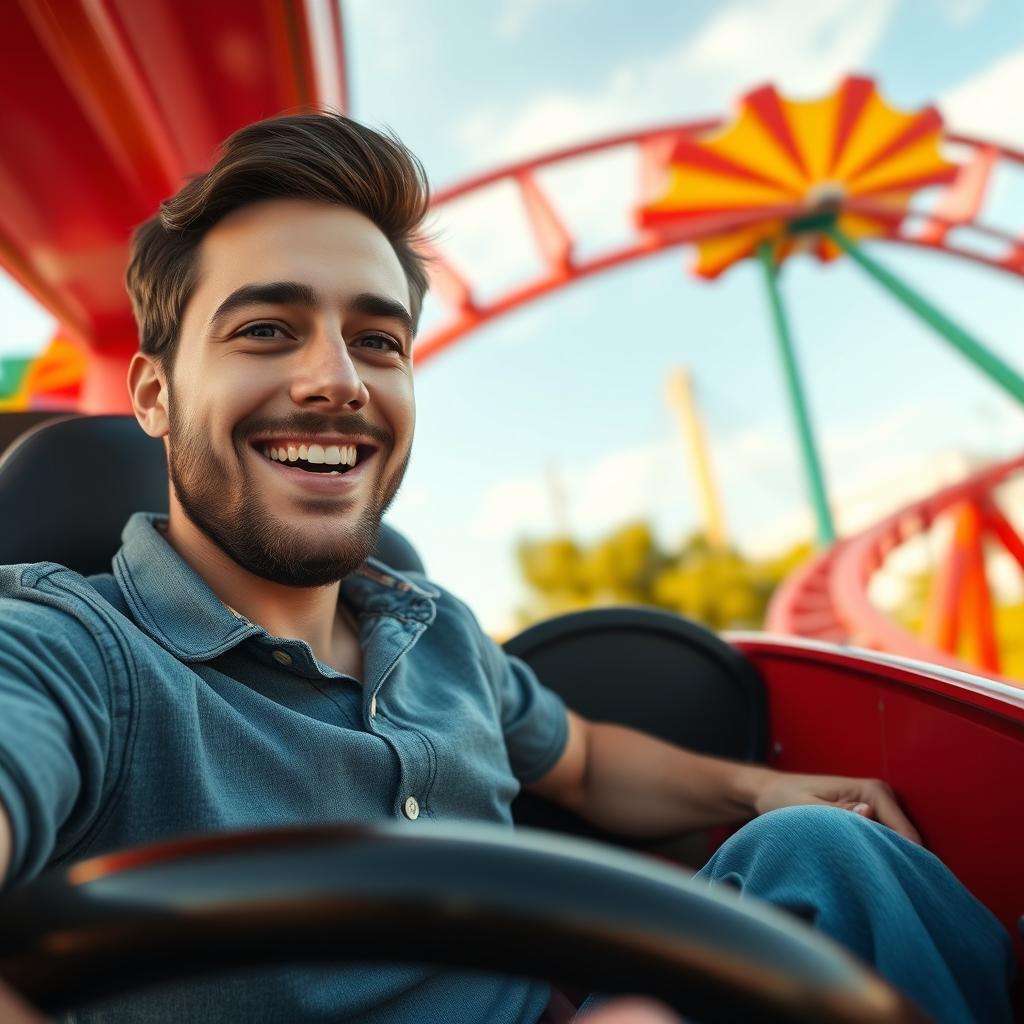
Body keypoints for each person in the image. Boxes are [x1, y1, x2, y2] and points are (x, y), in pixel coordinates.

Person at [0, 113, 1013, 1024]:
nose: (335, 381)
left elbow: (580, 761)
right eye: (266, 330)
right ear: (153, 393)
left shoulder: (429, 627)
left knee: (827, 853)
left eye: (377, 339)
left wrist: (761, 789)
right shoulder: (69, 653)